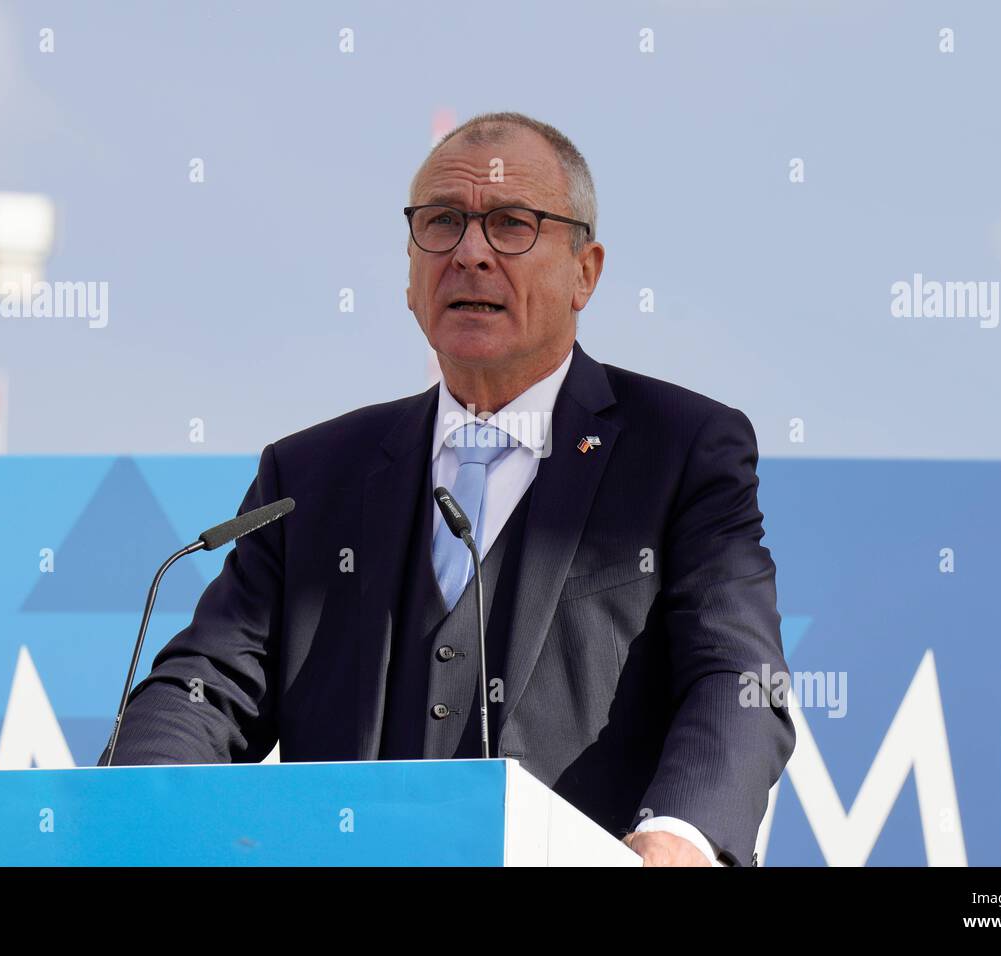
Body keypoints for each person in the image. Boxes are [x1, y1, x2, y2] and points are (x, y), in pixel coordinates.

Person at [103, 112, 794, 867]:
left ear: (585, 272)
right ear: (408, 273)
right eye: (441, 223)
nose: (470, 253)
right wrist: (139, 806)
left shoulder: (683, 450)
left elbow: (740, 677)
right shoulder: (310, 475)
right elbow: (209, 686)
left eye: (510, 225)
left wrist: (679, 836)